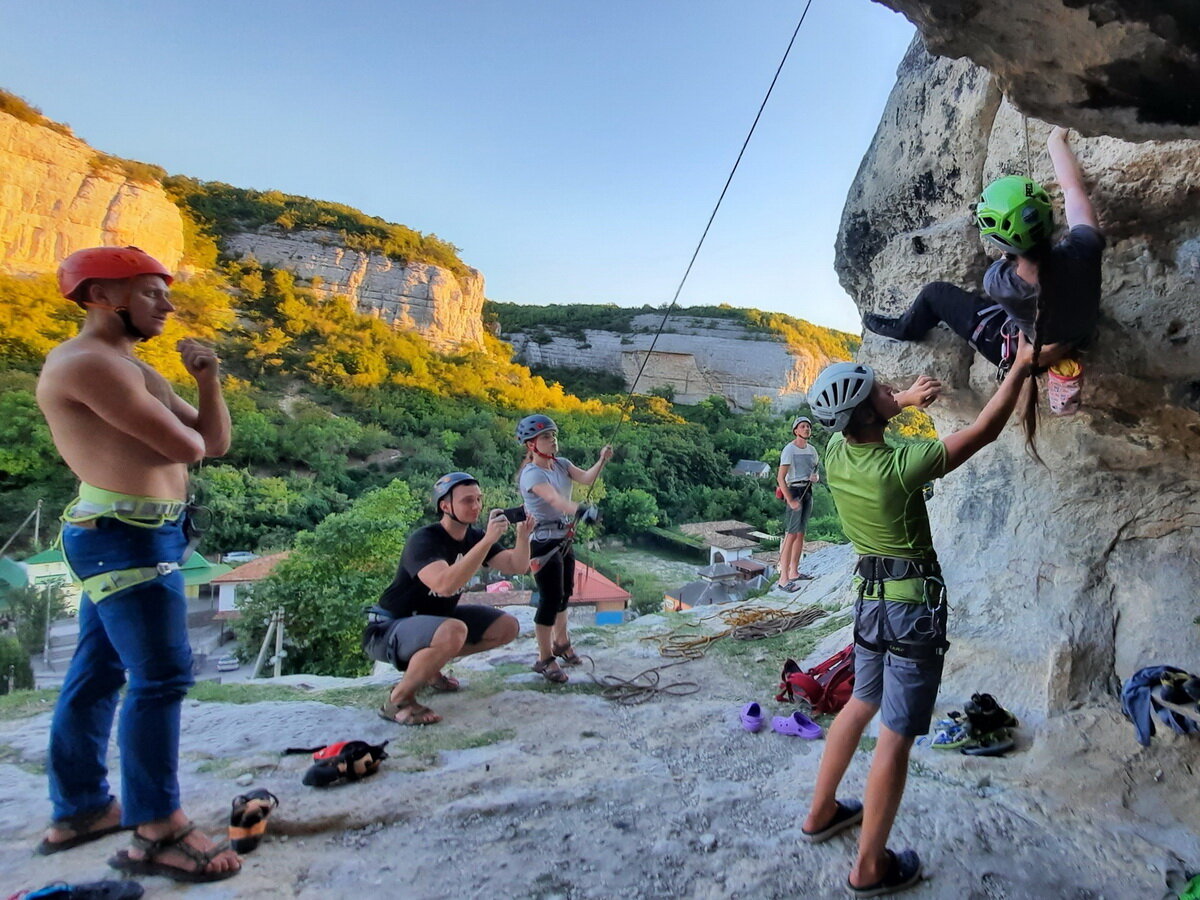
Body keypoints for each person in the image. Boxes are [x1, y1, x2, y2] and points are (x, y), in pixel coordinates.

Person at [800, 340, 1037, 897]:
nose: (892, 392)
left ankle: (820, 813)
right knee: (896, 737)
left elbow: (867, 414)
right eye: (883, 390)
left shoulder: (836, 454)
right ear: (866, 412)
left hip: (869, 601)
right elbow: (982, 431)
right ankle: (869, 868)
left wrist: (898, 400)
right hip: (913, 612)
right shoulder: (904, 465)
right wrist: (1022, 365)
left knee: (860, 702)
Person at [36, 246, 239, 882]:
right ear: (101, 295)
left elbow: (218, 441)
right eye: (151, 293)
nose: (168, 305)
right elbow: (188, 445)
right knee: (160, 676)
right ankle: (156, 830)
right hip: (123, 537)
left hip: (139, 534)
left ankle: (82, 809)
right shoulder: (89, 364)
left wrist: (207, 379)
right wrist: (189, 417)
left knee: (98, 668)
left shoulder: (130, 368)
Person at [863, 127, 1102, 404]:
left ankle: (904, 329)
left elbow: (1009, 262)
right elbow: (1073, 190)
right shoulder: (1086, 248)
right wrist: (1055, 140)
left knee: (935, 294)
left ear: (1002, 245)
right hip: (1077, 334)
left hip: (1026, 354)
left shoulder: (999, 282)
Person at [364, 472, 529, 725]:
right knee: (453, 630)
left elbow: (517, 566)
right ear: (445, 505)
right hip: (387, 628)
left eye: (478, 499)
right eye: (467, 501)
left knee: (507, 627)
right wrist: (487, 540)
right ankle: (397, 701)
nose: (475, 506)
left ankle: (428, 671)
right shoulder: (424, 540)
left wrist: (523, 534)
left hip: (433, 622)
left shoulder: (473, 538)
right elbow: (444, 584)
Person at [515, 414, 612, 684]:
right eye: (546, 436)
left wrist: (601, 459)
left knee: (564, 593)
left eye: (554, 435)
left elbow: (586, 477)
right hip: (544, 541)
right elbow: (555, 500)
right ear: (531, 444)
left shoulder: (561, 464)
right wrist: (582, 510)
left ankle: (561, 642)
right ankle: (544, 658)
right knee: (549, 598)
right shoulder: (532, 474)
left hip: (562, 538)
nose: (552, 440)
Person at [776, 415, 819, 589]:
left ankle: (794, 572)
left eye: (808, 426)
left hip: (807, 491)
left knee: (801, 533)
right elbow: (780, 478)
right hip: (793, 491)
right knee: (791, 534)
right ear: (795, 430)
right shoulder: (789, 450)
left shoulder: (812, 450)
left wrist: (816, 478)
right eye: (802, 426)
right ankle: (783, 578)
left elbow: (815, 471)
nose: (806, 429)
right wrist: (790, 500)